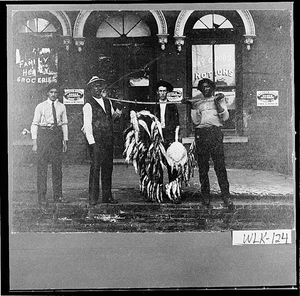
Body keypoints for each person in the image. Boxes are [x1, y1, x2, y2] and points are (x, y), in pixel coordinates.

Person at [184, 78, 233, 208]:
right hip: (201, 134)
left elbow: (225, 117)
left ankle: (226, 196)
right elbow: (196, 121)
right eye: (203, 87)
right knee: (203, 167)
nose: (206, 89)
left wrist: (217, 103)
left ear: (212, 88)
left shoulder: (219, 99)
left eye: (208, 87)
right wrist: (192, 106)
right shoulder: (197, 102)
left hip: (215, 133)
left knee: (220, 166)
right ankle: (205, 196)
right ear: (201, 89)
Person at [82, 76, 122, 205]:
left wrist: (119, 112)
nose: (98, 88)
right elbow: (87, 126)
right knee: (95, 168)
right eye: (95, 86)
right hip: (96, 141)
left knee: (107, 168)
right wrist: (92, 143)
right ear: (91, 89)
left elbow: (111, 118)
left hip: (108, 140)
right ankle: (93, 198)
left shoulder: (107, 102)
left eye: (99, 86)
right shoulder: (88, 105)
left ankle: (107, 196)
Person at [31, 82, 68, 206]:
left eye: (55, 92)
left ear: (58, 94)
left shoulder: (62, 107)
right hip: (44, 136)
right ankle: (41, 196)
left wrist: (65, 140)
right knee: (42, 167)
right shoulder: (40, 106)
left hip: (56, 136)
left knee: (57, 168)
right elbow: (35, 124)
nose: (53, 94)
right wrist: (35, 142)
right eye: (51, 92)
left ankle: (58, 196)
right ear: (47, 93)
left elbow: (64, 124)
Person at [153, 80, 181, 203]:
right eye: (160, 91)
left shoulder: (172, 106)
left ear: (167, 93)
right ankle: (158, 194)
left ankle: (173, 193)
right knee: (158, 165)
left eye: (164, 91)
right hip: (158, 137)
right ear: (157, 92)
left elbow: (177, 124)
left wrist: (175, 140)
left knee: (172, 165)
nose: (162, 93)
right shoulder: (153, 106)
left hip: (169, 136)